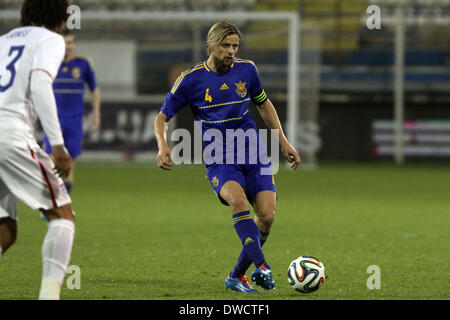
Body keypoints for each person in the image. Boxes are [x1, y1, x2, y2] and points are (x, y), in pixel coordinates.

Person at [154, 21, 301, 293]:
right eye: (225, 45)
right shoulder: (191, 79)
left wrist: (283, 141)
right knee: (237, 200)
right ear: (210, 46)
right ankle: (263, 266)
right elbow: (162, 116)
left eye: (234, 45)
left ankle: (236, 276)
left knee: (266, 216)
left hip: (253, 151)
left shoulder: (247, 70)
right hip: (220, 157)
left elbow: (263, 103)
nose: (231, 51)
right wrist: (163, 145)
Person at [0, 0, 75, 300]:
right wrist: (57, 145)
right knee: (62, 215)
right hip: (10, 134)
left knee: (5, 228)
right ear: (59, 16)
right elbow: (41, 83)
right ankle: (49, 296)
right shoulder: (50, 40)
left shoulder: (3, 41)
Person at [43, 28, 101, 194]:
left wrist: (96, 114)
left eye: (70, 43)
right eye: (64, 43)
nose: (67, 46)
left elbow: (95, 90)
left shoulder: (83, 63)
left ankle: (62, 202)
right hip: (53, 119)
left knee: (69, 164)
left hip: (75, 119)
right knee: (51, 160)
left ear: (74, 43)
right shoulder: (50, 62)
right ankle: (53, 199)